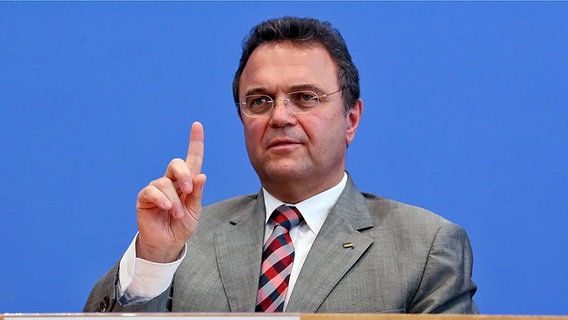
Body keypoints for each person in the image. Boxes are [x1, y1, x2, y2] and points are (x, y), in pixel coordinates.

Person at [84, 16, 478, 314]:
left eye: (305, 97)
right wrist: (155, 258)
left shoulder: (425, 247)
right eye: (259, 101)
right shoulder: (184, 240)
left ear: (351, 119)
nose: (281, 117)